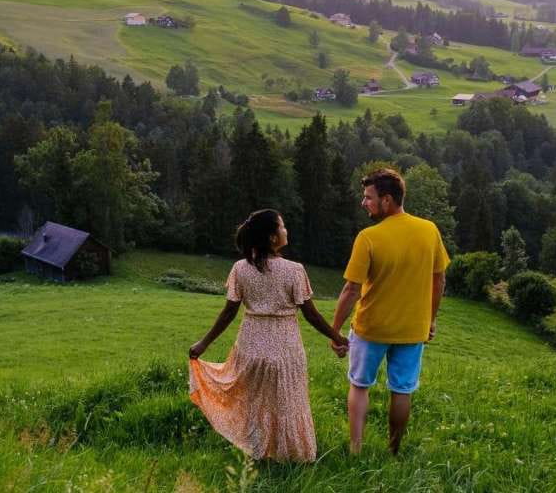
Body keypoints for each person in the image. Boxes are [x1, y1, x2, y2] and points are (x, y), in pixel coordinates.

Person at [188, 209, 348, 462]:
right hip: (285, 347)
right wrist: (338, 337)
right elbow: (311, 315)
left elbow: (229, 312)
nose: (286, 230)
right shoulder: (294, 270)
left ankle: (257, 453)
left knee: (255, 404)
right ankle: (291, 455)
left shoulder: (241, 268)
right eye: (282, 227)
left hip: (250, 346)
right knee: (288, 402)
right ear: (273, 238)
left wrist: (203, 343)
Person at [330, 168, 449, 455]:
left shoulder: (368, 237)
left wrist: (334, 331)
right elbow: (439, 279)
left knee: (359, 385)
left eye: (368, 197)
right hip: (412, 330)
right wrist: (430, 319)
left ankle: (356, 449)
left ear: (386, 200)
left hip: (371, 328)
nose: (363, 203)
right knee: (402, 390)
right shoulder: (429, 230)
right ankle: (393, 451)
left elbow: (351, 290)